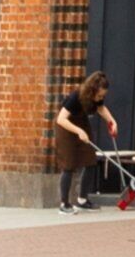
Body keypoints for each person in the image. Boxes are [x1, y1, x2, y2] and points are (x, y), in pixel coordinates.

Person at [50, 73, 117, 213]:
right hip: (66, 126)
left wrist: (111, 121)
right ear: (92, 90)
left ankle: (82, 200)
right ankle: (64, 204)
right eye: (99, 96)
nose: (101, 98)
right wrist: (78, 131)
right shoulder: (75, 97)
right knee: (68, 164)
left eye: (103, 96)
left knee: (90, 160)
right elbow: (61, 119)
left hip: (81, 123)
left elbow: (101, 108)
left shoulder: (97, 98)